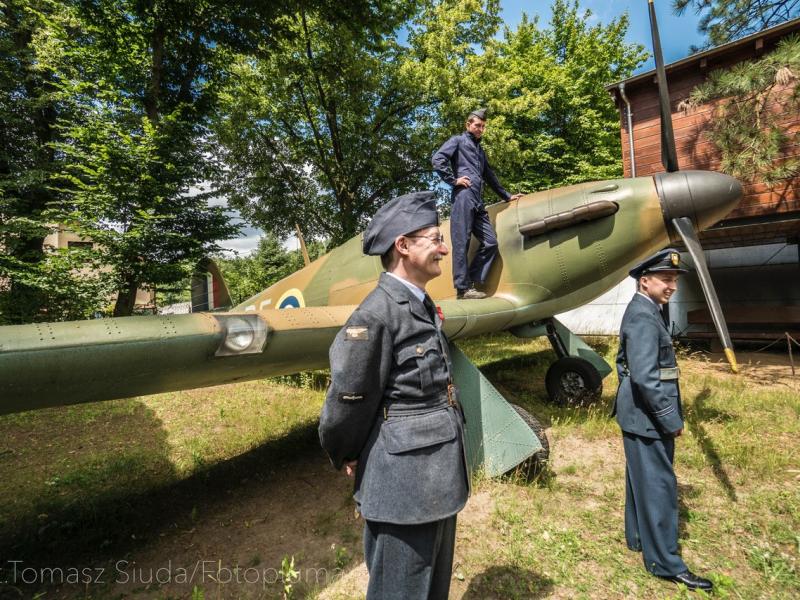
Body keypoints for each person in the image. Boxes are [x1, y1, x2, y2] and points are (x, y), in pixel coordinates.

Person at [318, 190, 469, 600]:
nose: (444, 247)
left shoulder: (418, 304)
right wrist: (346, 452)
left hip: (435, 479)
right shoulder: (375, 314)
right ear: (402, 246)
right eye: (435, 238)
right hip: (404, 488)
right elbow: (348, 400)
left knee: (432, 588)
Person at [612, 249, 713, 593]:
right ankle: (666, 563)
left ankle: (639, 538)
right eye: (666, 279)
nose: (672, 285)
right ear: (645, 281)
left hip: (638, 413)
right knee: (658, 485)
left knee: (641, 477)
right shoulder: (642, 315)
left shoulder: (646, 309)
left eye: (674, 280)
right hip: (647, 415)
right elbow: (645, 377)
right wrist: (671, 419)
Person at [431, 108, 522, 300]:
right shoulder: (457, 141)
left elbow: (489, 176)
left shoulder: (480, 151)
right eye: (477, 125)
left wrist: (507, 196)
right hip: (463, 198)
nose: (480, 129)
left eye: (483, 126)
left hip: (478, 203)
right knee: (461, 243)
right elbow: (438, 159)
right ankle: (462, 290)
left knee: (491, 243)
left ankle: (471, 281)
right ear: (468, 125)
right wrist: (453, 180)